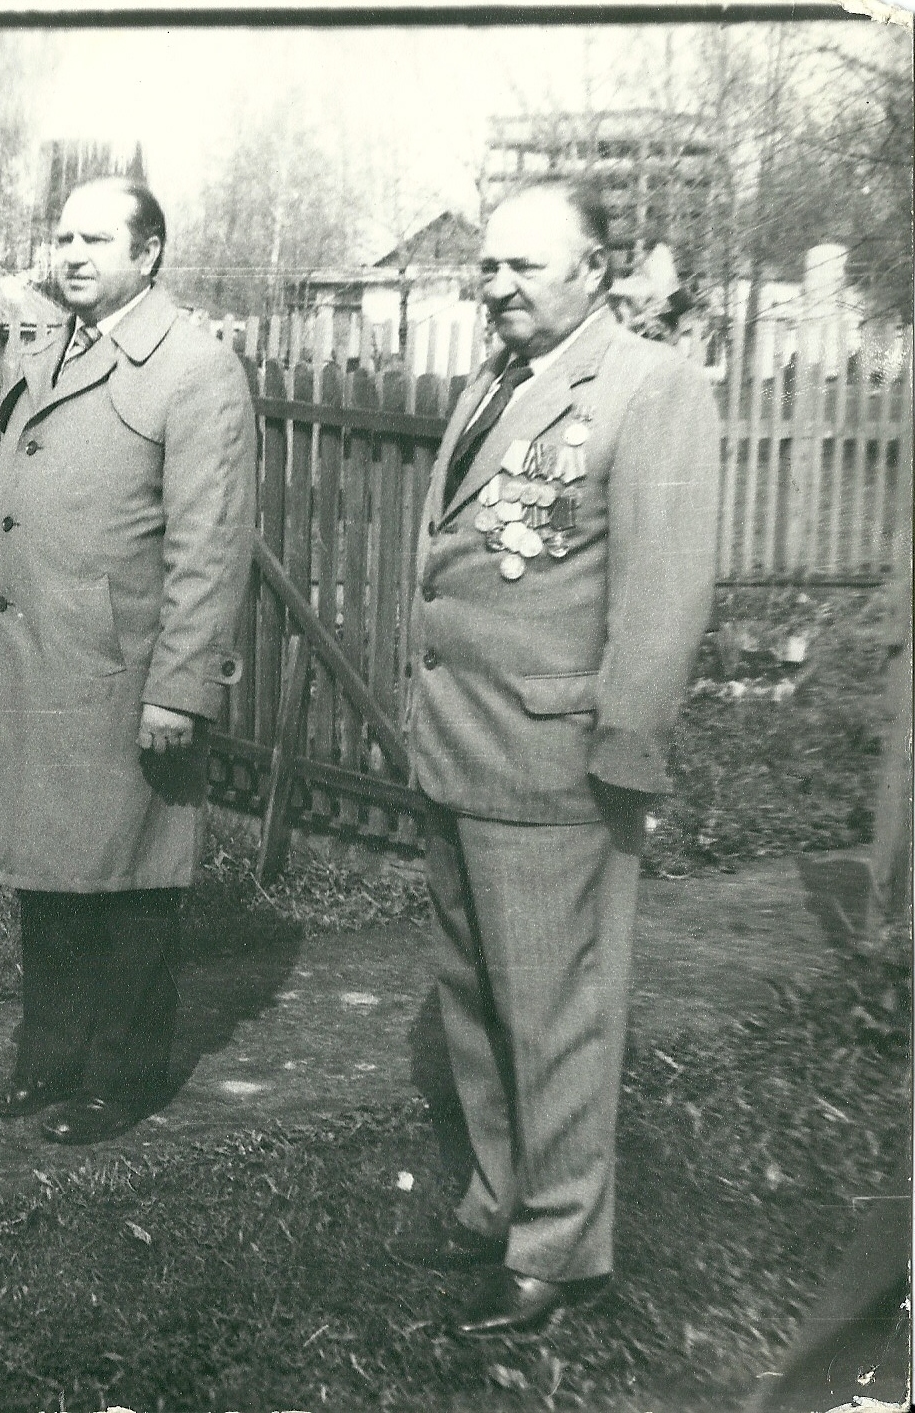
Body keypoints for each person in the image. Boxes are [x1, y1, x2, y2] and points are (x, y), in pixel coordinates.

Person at [402, 182, 720, 1337]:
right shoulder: (494, 382)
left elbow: (665, 591)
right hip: (461, 742)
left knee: (556, 1013)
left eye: (525, 266)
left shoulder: (649, 385)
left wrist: (622, 752)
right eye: (489, 267)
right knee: (476, 1000)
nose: (498, 286)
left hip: (557, 762)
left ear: (594, 271)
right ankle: (501, 1197)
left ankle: (560, 1248)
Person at [0, 178, 256, 1146]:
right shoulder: (55, 349)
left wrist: (182, 688)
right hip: (39, 663)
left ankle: (121, 1078)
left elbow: (210, 546)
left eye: (95, 239)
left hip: (124, 676)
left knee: (130, 879)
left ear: (150, 252)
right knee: (49, 875)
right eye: (62, 238)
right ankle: (47, 1060)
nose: (72, 254)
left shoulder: (194, 367)